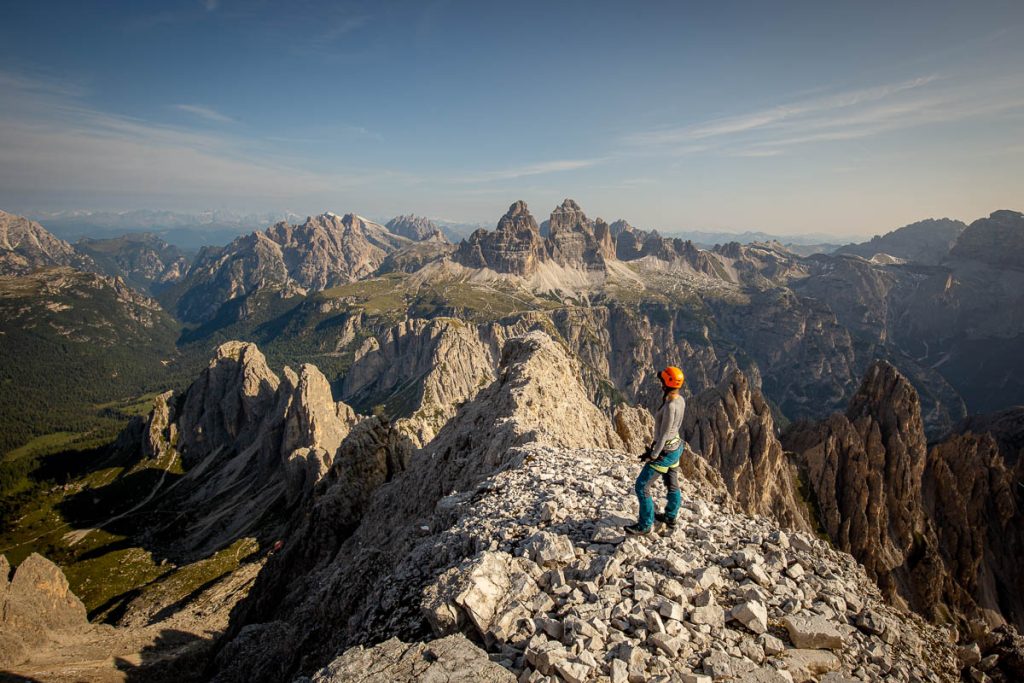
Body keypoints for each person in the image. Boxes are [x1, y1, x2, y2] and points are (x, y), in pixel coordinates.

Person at [625, 366, 686, 535]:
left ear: (666, 383)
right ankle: (670, 516)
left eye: (662, 381)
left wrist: (653, 455)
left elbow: (664, 434)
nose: (660, 383)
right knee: (672, 483)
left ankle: (645, 525)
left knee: (642, 486)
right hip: (676, 447)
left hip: (665, 452)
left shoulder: (670, 406)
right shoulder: (680, 400)